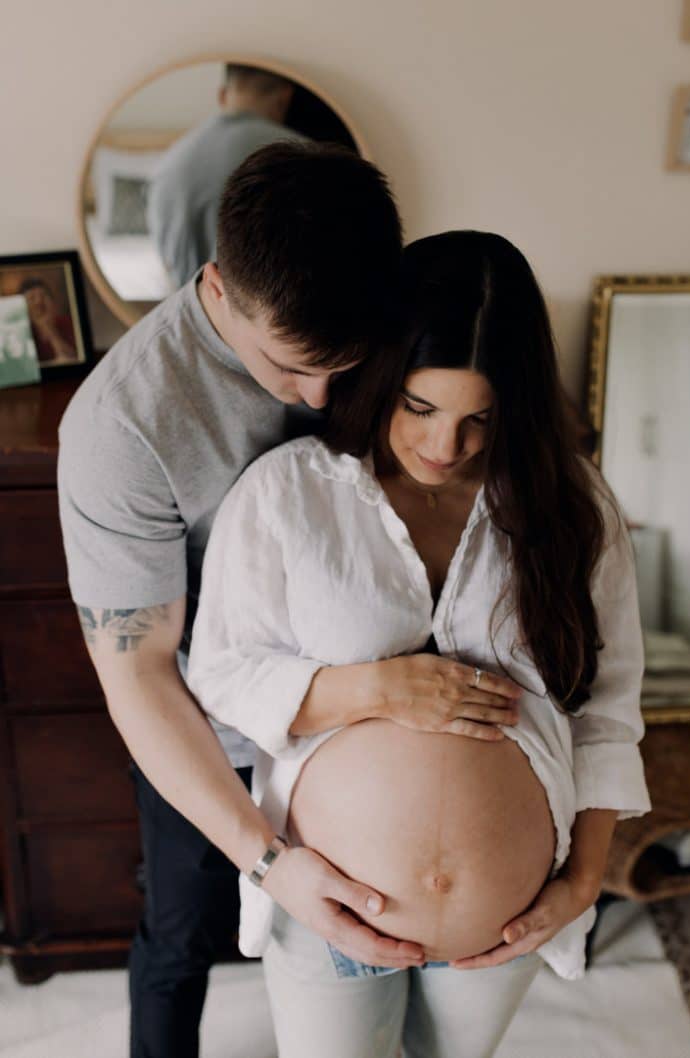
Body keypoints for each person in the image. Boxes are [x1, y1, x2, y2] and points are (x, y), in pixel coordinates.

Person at [187, 230, 652, 1058]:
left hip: (507, 917)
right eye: (420, 408)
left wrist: (582, 881)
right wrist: (375, 689)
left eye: (481, 418)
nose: (446, 447)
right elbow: (222, 672)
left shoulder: (571, 507)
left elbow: (609, 704)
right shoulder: (290, 492)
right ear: (380, 375)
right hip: (332, 901)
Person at [58, 140, 461, 1058]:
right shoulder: (120, 427)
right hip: (214, 733)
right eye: (287, 367)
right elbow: (140, 675)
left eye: (344, 367)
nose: (322, 396)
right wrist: (267, 859)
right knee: (179, 932)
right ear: (218, 286)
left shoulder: (390, 322)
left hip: (375, 722)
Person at [147, 63, 305, 287]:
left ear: (222, 94)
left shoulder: (171, 162)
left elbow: (167, 264)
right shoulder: (305, 156)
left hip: (192, 310)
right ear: (285, 97)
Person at [19, 276, 78, 363]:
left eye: (43, 296)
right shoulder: (19, 330)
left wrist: (51, 330)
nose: (39, 302)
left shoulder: (68, 322)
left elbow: (73, 359)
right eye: (31, 298)